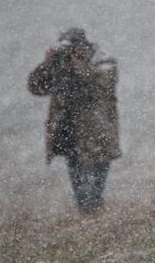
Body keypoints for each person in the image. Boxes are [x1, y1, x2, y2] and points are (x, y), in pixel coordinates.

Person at [28, 28, 120, 213]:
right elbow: (36, 87)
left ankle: (93, 208)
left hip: (97, 127)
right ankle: (86, 211)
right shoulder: (59, 64)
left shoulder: (102, 60)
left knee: (97, 171)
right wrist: (46, 65)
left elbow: (102, 86)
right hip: (69, 127)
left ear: (84, 45)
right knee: (77, 171)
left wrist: (80, 67)